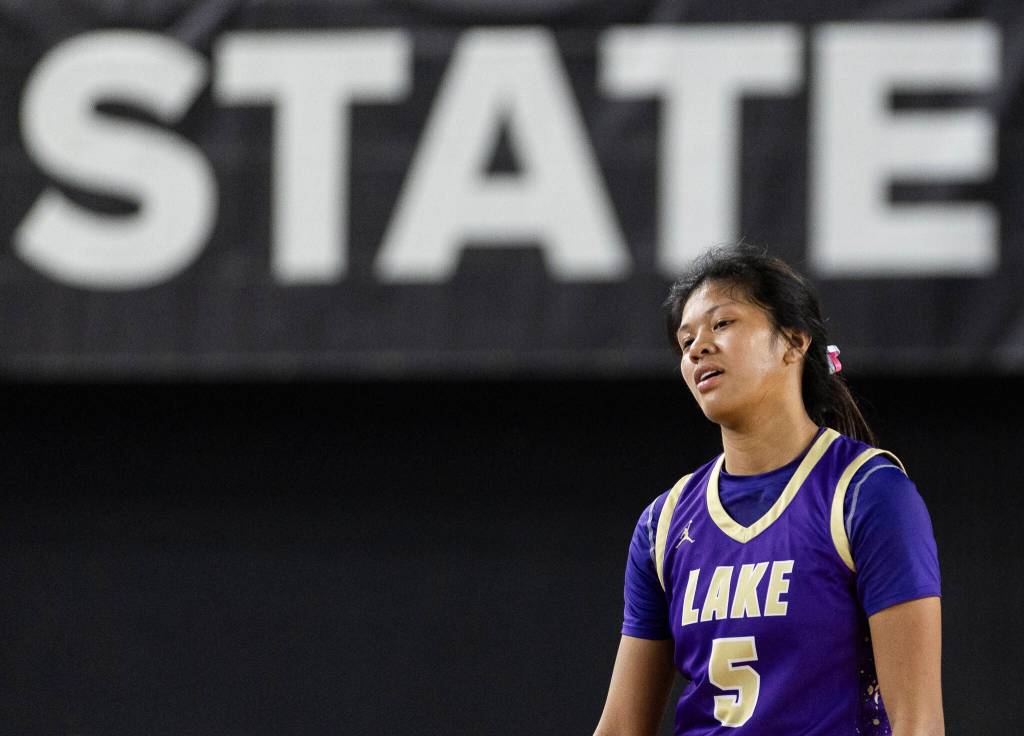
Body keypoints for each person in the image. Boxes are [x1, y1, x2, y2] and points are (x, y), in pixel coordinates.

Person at [593, 245, 942, 736]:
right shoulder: (665, 522)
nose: (697, 348)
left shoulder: (869, 494)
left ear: (794, 342)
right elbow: (621, 728)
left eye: (722, 324)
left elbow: (919, 724)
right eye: (685, 338)